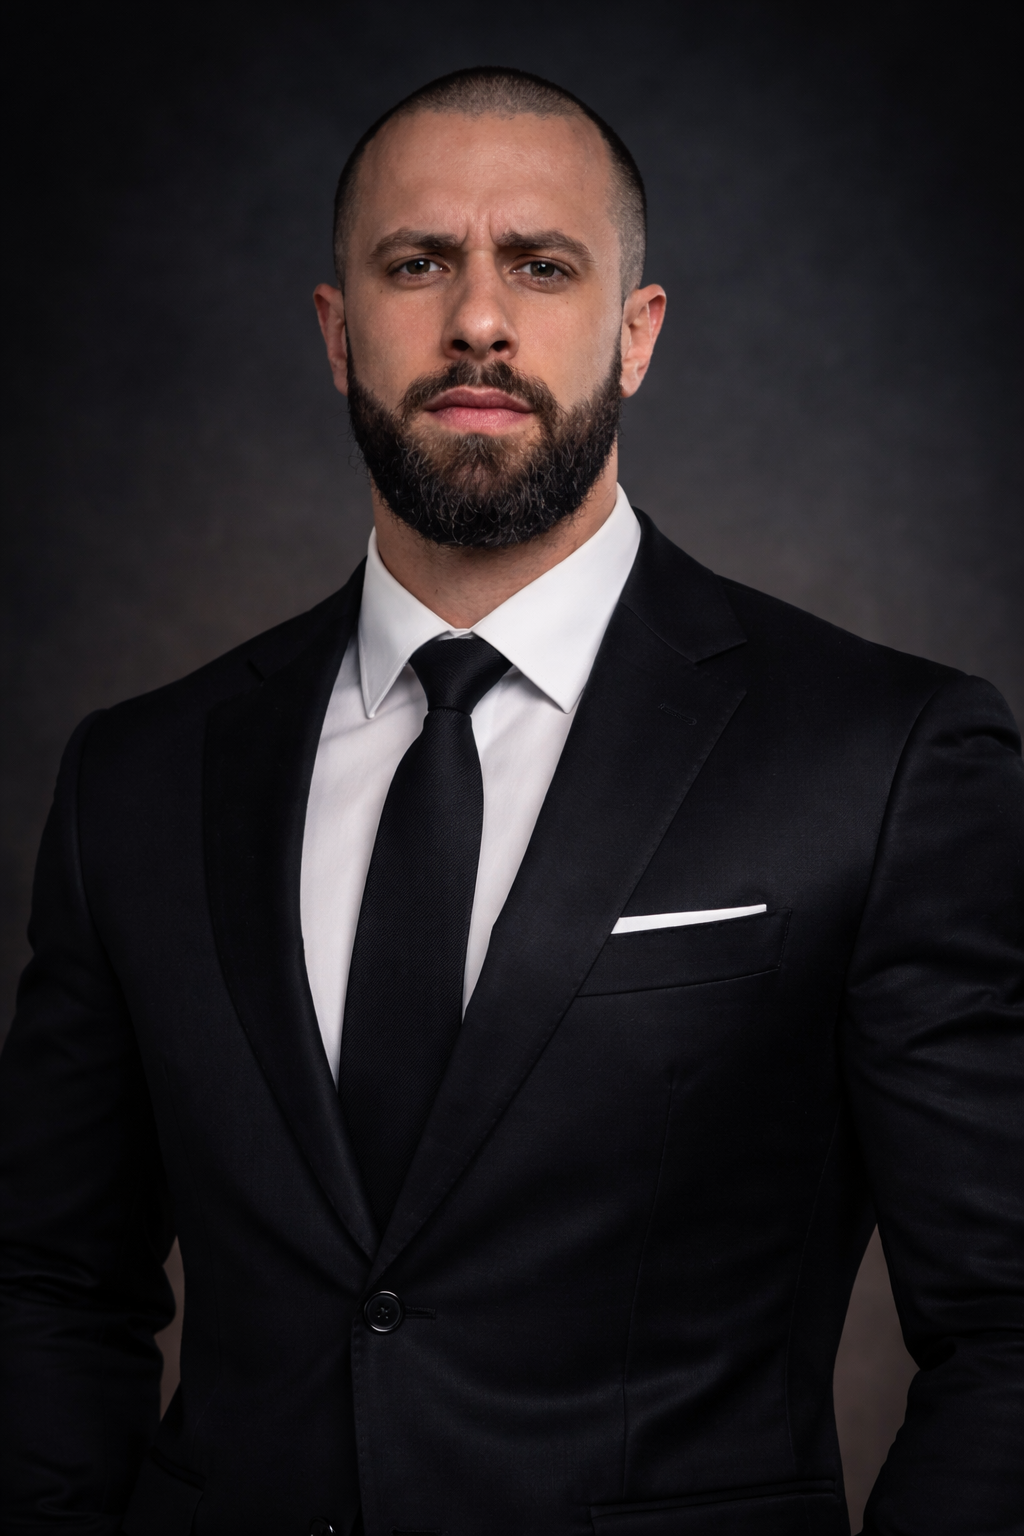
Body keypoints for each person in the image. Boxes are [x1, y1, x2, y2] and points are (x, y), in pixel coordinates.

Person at [0, 64, 1021, 1536]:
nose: (479, 317)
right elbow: (48, 1285)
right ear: (337, 331)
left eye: (543, 266)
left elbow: (1004, 1325)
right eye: (419, 263)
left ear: (636, 332)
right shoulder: (138, 779)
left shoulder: (885, 753)